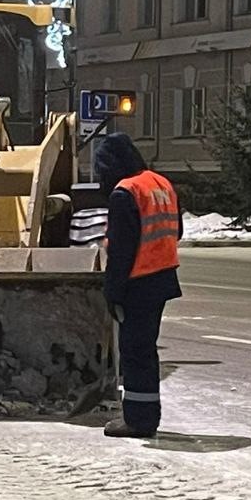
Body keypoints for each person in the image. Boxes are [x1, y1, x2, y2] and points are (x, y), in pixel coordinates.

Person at [93, 133, 182, 439]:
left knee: (134, 353)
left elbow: (121, 252)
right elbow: (176, 230)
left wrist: (113, 293)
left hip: (138, 283)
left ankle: (137, 421)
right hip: (162, 279)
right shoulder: (160, 184)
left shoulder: (124, 193)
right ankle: (146, 416)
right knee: (146, 351)